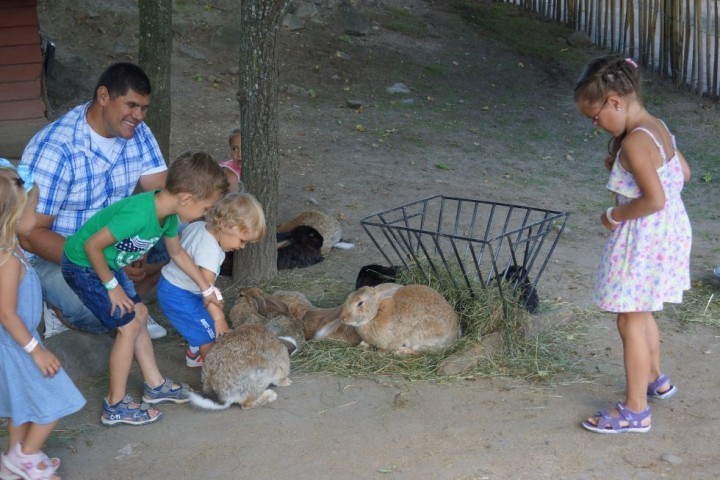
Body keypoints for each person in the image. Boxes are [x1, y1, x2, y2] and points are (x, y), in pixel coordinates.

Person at [59, 152, 228, 426]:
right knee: (127, 326)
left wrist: (205, 288)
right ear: (186, 198)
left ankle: (155, 385)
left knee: (138, 312)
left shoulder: (169, 216)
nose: (206, 214)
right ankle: (114, 405)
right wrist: (112, 287)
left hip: (108, 265)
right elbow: (92, 246)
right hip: (84, 265)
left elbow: (178, 253)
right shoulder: (139, 214)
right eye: (206, 208)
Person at [573, 56, 692, 434]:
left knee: (629, 319)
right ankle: (656, 378)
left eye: (594, 117)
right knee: (642, 313)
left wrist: (614, 216)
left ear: (614, 101)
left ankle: (636, 410)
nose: (594, 125)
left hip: (643, 239)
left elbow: (653, 200)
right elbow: (683, 174)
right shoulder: (656, 128)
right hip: (667, 234)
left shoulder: (634, 144)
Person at [20, 62, 169, 340]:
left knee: (180, 229)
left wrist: (141, 248)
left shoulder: (138, 131)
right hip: (56, 255)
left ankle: (129, 298)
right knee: (100, 314)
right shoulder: (56, 148)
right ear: (103, 96)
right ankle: (57, 308)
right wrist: (111, 262)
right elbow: (30, 235)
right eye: (131, 105)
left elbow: (160, 194)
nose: (138, 116)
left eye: (144, 108)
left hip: (114, 241)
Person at [0, 160, 86, 480]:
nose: (37, 218)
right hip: (18, 347)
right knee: (56, 400)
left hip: (15, 344)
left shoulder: (12, 250)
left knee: (20, 407)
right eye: (33, 212)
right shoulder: (7, 260)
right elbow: (6, 313)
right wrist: (36, 349)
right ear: (13, 217)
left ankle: (12, 462)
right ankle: (27, 455)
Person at [157, 192, 266, 368]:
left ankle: (195, 353)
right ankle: (213, 372)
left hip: (173, 285)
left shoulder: (200, 226)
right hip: (179, 294)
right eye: (242, 240)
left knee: (202, 319)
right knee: (209, 333)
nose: (242, 247)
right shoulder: (210, 251)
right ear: (224, 225)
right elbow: (206, 288)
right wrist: (219, 319)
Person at [219, 127, 244, 193]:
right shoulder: (230, 174)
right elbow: (234, 200)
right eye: (234, 149)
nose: (239, 154)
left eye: (244, 148)